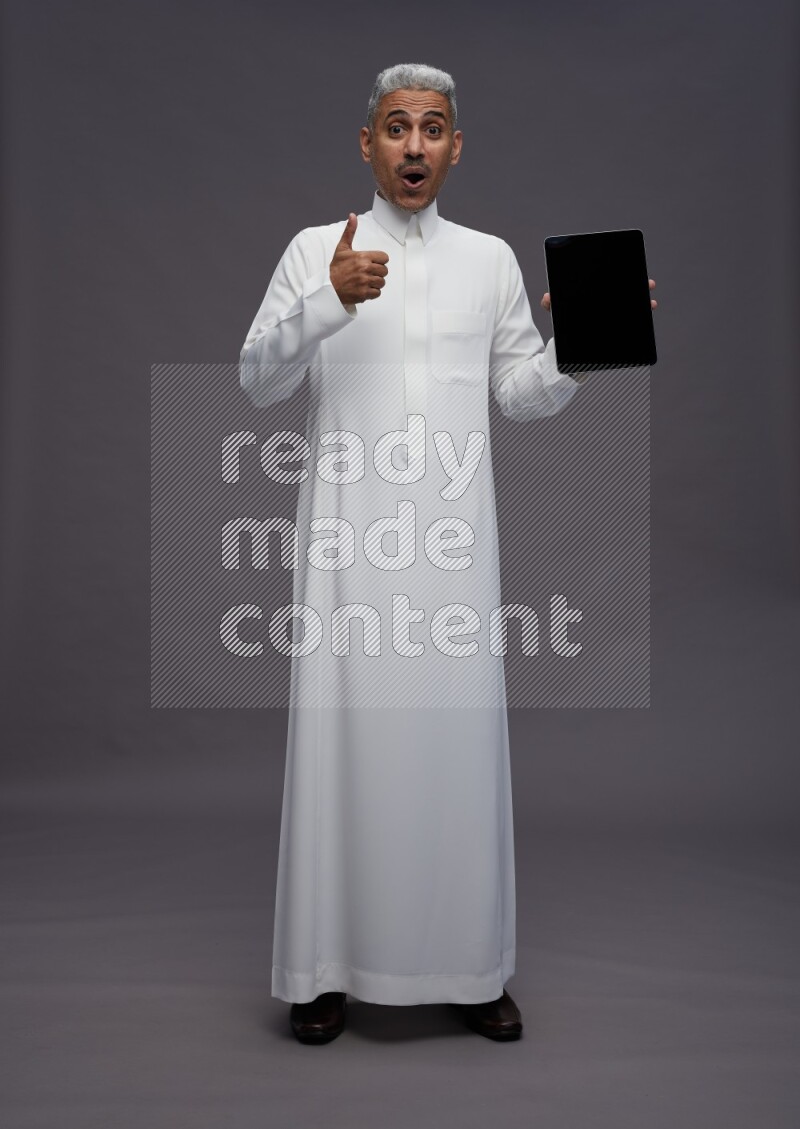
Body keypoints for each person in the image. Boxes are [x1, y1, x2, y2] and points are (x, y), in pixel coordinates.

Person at [239, 63, 657, 1045]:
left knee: (454, 750)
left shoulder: (488, 261)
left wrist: (582, 345)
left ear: (455, 147)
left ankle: (469, 970)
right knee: (345, 748)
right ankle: (323, 971)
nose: (414, 146)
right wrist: (323, 302)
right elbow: (259, 378)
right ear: (366, 144)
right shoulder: (315, 251)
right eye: (395, 128)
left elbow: (516, 390)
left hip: (453, 553)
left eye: (432, 129)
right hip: (349, 548)